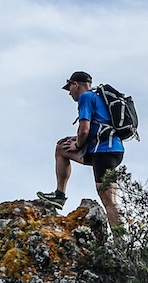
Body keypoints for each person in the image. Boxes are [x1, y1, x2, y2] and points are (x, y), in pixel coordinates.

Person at [39, 71, 125, 234]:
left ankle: (120, 240)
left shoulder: (86, 97)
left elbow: (84, 130)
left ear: (76, 84)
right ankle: (59, 195)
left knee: (109, 200)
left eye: (69, 88)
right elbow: (95, 128)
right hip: (107, 148)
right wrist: (74, 140)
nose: (69, 93)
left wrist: (77, 144)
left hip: (104, 151)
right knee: (61, 148)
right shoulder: (97, 97)